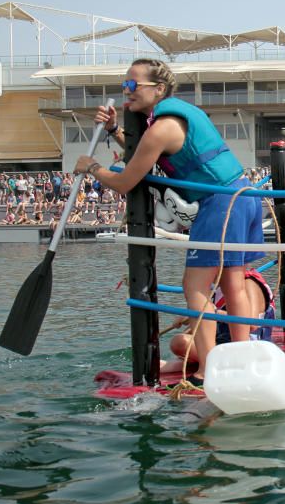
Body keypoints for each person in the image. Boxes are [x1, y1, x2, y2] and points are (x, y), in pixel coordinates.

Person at [76, 58, 264, 388]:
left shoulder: (161, 127)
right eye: (124, 85)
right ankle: (241, 356)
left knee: (195, 286)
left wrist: (91, 167)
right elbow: (148, 154)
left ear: (158, 89)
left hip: (220, 203)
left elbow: (125, 181)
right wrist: (114, 131)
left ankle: (208, 369)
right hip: (243, 194)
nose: (126, 92)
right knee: (233, 281)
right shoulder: (172, 119)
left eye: (133, 85)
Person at [168, 269, 275, 363]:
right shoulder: (222, 288)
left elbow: (252, 324)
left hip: (250, 348)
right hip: (224, 345)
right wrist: (193, 319)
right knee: (180, 343)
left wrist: (211, 312)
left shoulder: (248, 284)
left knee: (180, 342)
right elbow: (205, 327)